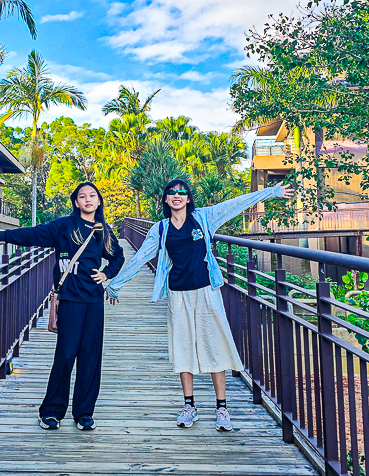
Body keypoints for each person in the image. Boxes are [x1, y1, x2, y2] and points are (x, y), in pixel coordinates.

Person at [106, 179, 294, 431]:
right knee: (183, 348)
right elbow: (140, 258)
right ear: (165, 199)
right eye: (171, 192)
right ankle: (189, 406)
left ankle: (222, 407)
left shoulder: (204, 218)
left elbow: (236, 204)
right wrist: (116, 284)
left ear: (188, 198)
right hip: (178, 295)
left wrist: (272, 192)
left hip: (206, 291)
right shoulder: (161, 229)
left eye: (182, 192)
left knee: (214, 345)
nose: (177, 195)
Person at [0, 182, 124, 431]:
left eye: (92, 196)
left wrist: (106, 274)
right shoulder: (64, 226)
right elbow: (33, 234)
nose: (87, 200)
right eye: (82, 196)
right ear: (76, 202)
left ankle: (84, 413)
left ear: (98, 201)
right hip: (70, 300)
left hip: (94, 301)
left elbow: (118, 256)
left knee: (90, 358)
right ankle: (51, 411)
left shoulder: (103, 231)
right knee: (65, 355)